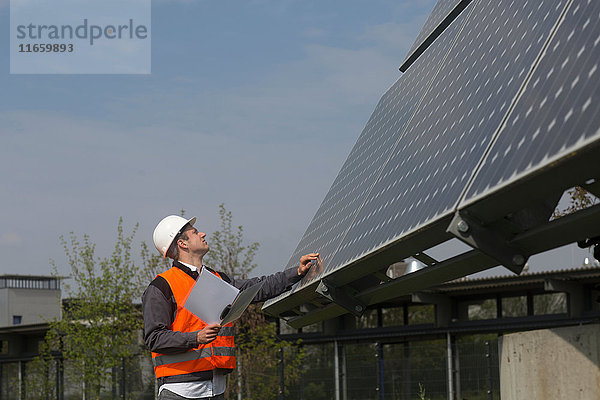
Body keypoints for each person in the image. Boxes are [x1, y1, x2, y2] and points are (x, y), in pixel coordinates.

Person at [142, 215, 318, 400]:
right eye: (194, 232)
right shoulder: (162, 287)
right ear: (182, 243)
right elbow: (155, 338)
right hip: (180, 391)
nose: (202, 233)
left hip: (217, 389)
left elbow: (258, 288)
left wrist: (296, 273)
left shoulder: (217, 279)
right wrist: (196, 337)